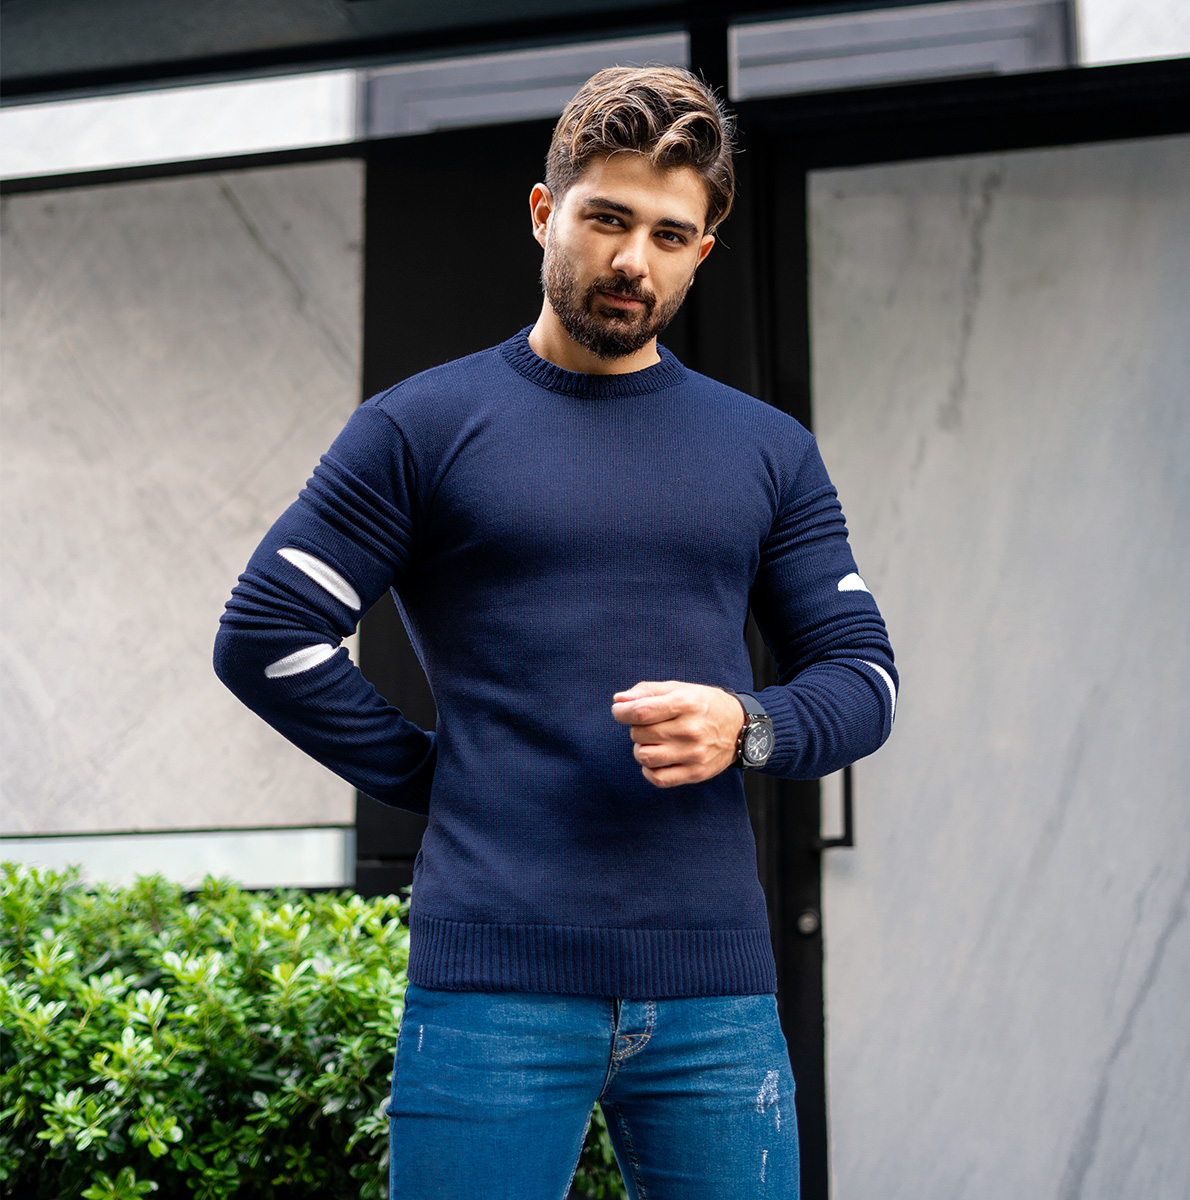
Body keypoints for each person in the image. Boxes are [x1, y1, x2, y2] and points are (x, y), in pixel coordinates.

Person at [214, 65, 897, 1200]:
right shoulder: (420, 429)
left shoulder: (768, 450)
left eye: (669, 236)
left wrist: (748, 725)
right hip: (491, 989)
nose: (634, 261)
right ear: (546, 212)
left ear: (702, 253)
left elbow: (865, 680)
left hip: (714, 997)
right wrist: (440, 775)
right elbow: (266, 633)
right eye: (607, 219)